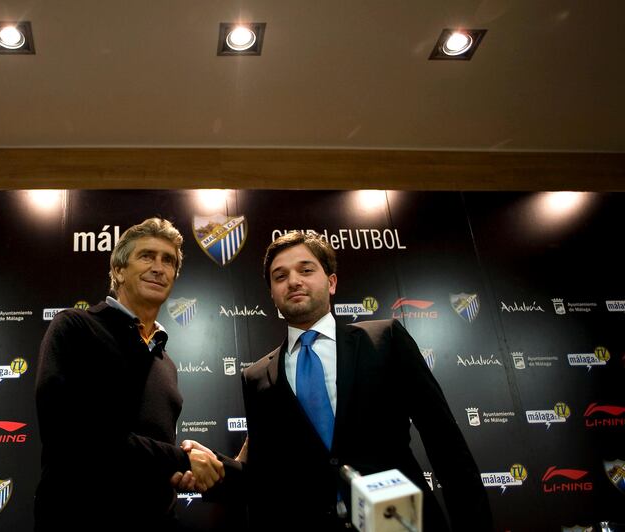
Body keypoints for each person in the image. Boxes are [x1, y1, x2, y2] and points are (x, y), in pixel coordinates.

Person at [239, 231, 493, 531]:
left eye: (306, 270)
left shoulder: (385, 339)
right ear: (271, 292)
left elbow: (446, 444)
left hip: (399, 523)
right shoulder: (256, 376)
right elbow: (265, 475)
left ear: (331, 282)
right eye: (280, 276)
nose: (293, 281)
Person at [34, 217, 224, 531]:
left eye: (169, 261)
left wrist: (179, 475)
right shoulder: (76, 327)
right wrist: (178, 459)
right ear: (119, 270)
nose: (159, 267)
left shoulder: (167, 365)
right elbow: (71, 434)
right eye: (146, 256)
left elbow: (150, 459)